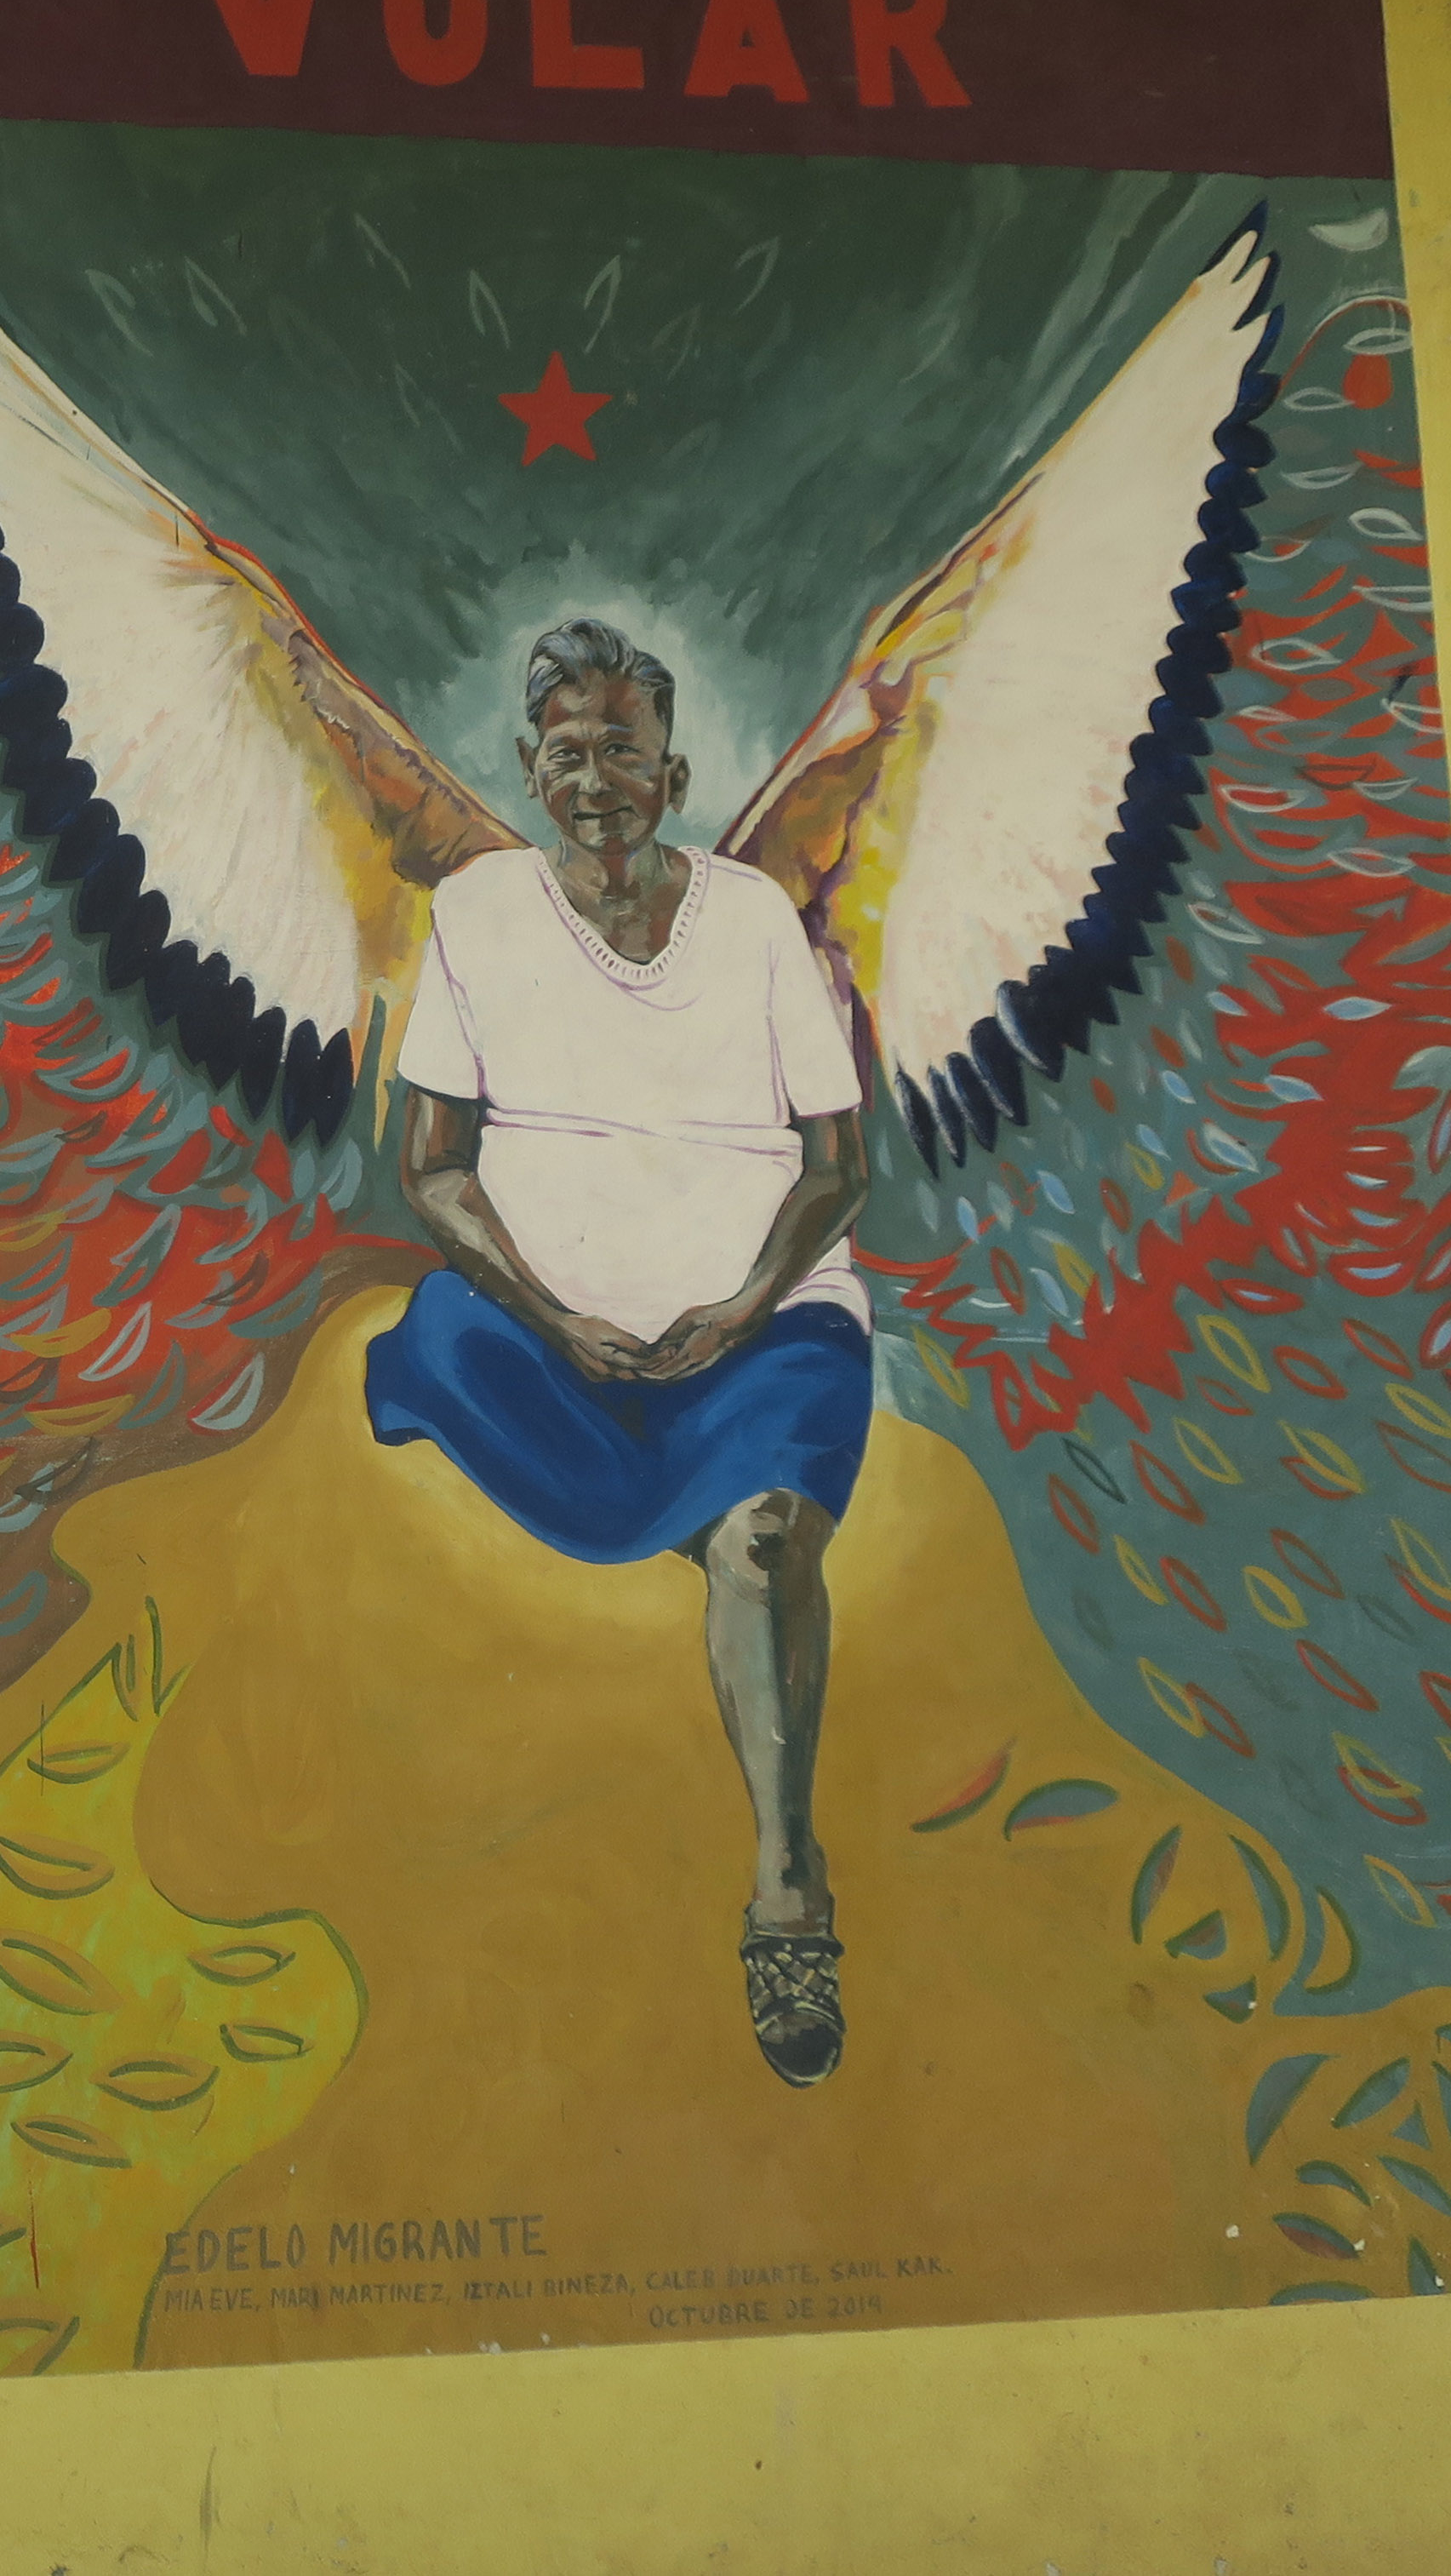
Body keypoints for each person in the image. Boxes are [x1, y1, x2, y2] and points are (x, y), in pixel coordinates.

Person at [364, 617, 871, 2089]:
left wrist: (735, 1306)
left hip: (761, 1319)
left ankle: (788, 1897)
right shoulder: (476, 915)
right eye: (567, 752)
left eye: (623, 752)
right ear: (530, 768)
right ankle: (658, 1488)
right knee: (441, 1338)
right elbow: (434, 1170)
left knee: (765, 1545)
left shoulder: (756, 921)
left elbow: (836, 1169)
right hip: (549, 1328)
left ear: (676, 772)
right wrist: (550, 1314)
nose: (596, 779)